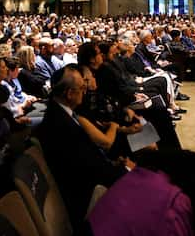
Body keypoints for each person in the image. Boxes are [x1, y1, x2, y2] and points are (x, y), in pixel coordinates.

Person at [35, 64, 127, 230]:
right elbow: (91, 168)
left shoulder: (60, 114)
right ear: (70, 94)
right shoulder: (61, 125)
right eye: (82, 88)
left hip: (90, 178)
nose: (85, 92)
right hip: (85, 198)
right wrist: (124, 169)